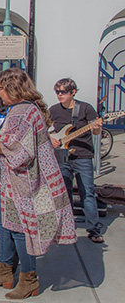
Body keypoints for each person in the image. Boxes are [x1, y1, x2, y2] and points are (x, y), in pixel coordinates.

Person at [0, 68, 76, 300]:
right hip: (14, 181)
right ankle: (3, 271)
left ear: (12, 88)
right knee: (4, 223)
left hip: (26, 181)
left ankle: (29, 278)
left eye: (0, 88)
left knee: (22, 229)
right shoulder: (21, 109)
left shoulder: (23, 111)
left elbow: (14, 148)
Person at [49, 78, 104, 243]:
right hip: (62, 156)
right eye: (57, 91)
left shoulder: (85, 108)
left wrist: (96, 127)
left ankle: (94, 230)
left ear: (73, 92)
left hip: (82, 155)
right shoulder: (53, 110)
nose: (59, 95)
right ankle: (66, 227)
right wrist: (50, 138)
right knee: (64, 193)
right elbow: (42, 130)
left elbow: (95, 132)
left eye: (63, 92)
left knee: (87, 192)